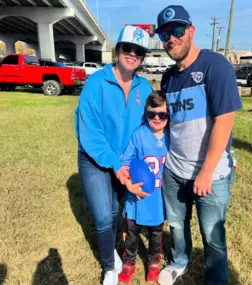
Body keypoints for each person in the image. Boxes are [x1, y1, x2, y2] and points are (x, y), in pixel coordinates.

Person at [154, 5, 243, 285]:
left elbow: (224, 122)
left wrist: (206, 172)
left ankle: (216, 280)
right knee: (178, 225)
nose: (172, 38)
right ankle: (179, 261)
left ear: (191, 31)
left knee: (213, 237)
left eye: (178, 30)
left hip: (211, 175)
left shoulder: (215, 66)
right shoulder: (168, 78)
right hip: (175, 170)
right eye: (165, 33)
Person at [74, 25, 153, 285]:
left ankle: (111, 247)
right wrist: (116, 165)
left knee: (113, 213)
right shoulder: (96, 82)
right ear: (118, 50)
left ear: (143, 57)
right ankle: (110, 266)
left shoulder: (144, 86)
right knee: (101, 216)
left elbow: (150, 124)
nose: (132, 54)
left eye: (139, 51)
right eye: (128, 48)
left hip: (125, 161)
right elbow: (90, 132)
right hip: (95, 159)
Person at [118, 91, 169, 285]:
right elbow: (126, 160)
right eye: (151, 114)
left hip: (158, 199)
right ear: (145, 114)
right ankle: (129, 262)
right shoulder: (139, 134)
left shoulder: (172, 137)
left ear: (169, 115)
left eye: (162, 114)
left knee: (156, 234)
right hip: (136, 198)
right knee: (132, 232)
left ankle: (154, 261)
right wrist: (129, 183)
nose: (156, 118)